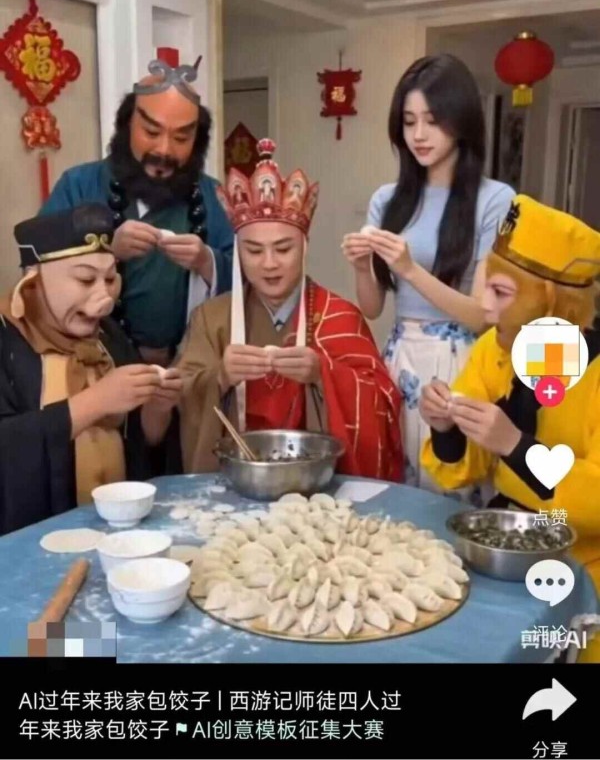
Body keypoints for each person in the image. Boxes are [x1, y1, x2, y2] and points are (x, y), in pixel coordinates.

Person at [146, 139, 403, 479]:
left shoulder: (339, 316)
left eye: (283, 249)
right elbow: (178, 396)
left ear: (304, 247)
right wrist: (220, 377)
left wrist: (323, 373)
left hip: (316, 486)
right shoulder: (212, 318)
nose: (269, 264)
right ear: (237, 251)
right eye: (253, 251)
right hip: (234, 481)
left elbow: (382, 402)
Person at [419, 196, 600, 660]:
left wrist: (517, 447)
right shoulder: (493, 350)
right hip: (504, 549)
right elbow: (461, 468)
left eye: (501, 293)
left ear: (550, 301)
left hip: (587, 566)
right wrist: (445, 426)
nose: (485, 306)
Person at [342, 53, 514, 497]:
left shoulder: (496, 200)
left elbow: (482, 316)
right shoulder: (387, 200)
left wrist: (409, 268)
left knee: (451, 488)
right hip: (399, 357)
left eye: (432, 121)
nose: (418, 135)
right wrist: (362, 265)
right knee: (394, 485)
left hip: (461, 364)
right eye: (408, 121)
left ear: (461, 121)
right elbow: (372, 308)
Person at [0, 204, 182, 534]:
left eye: (110, 279)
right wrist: (96, 401)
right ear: (33, 283)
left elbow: (141, 446)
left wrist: (157, 409)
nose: (105, 297)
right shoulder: (5, 340)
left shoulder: (109, 336)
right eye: (86, 279)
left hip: (120, 532)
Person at [41, 58, 234, 366]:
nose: (164, 150)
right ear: (127, 124)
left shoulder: (215, 197)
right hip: (91, 366)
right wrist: (106, 250)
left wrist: (207, 262)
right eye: (151, 132)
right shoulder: (79, 184)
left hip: (188, 370)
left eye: (181, 138)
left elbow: (251, 279)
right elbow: (37, 272)